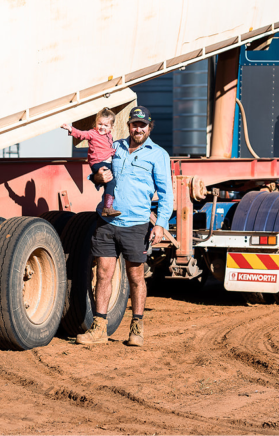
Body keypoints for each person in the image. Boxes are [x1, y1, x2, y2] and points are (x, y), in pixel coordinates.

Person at [75, 106, 173, 347]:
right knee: (103, 274)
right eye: (134, 124)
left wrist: (160, 224)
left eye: (142, 125)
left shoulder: (158, 154)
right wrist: (97, 178)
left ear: (149, 128)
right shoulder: (113, 146)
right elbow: (97, 174)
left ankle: (136, 327)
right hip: (107, 221)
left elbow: (166, 194)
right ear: (128, 126)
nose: (138, 128)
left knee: (136, 276)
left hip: (136, 225)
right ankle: (99, 328)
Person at [61, 108, 121, 217]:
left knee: (112, 181)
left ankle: (110, 204)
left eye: (106, 125)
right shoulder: (93, 133)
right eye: (100, 124)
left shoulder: (109, 136)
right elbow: (81, 134)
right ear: (95, 124)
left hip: (106, 162)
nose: (102, 127)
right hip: (98, 162)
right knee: (111, 181)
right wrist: (70, 129)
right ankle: (107, 208)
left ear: (111, 127)